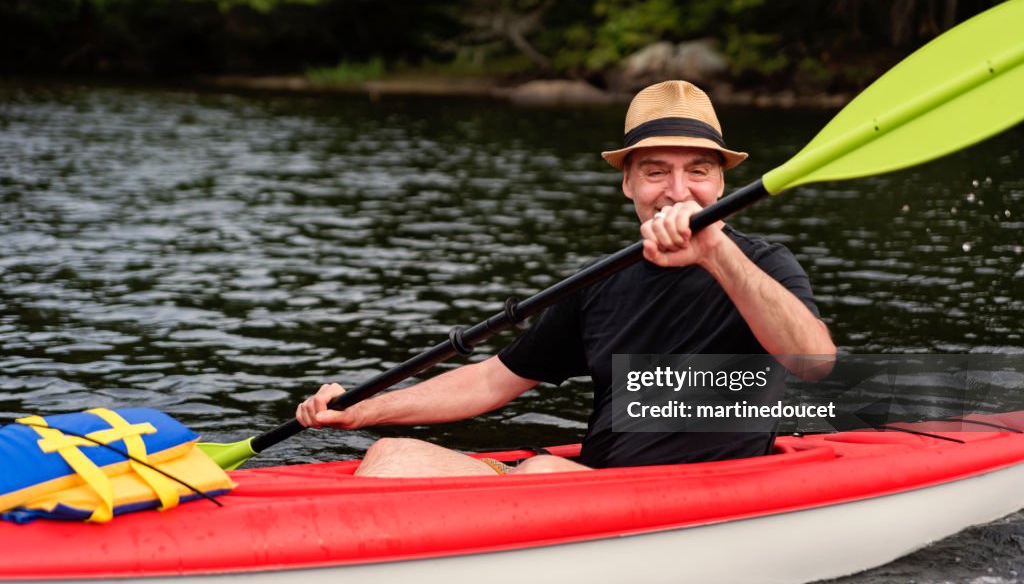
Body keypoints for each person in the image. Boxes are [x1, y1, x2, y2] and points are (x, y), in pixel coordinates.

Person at [296, 80, 836, 476]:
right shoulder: (600, 284)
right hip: (593, 491)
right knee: (391, 457)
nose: (677, 190)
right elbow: (491, 380)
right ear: (628, 184)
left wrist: (716, 251)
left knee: (540, 474)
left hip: (712, 496)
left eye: (697, 170)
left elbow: (814, 363)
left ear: (720, 182)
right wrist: (364, 409)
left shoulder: (764, 265)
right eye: (656, 171)